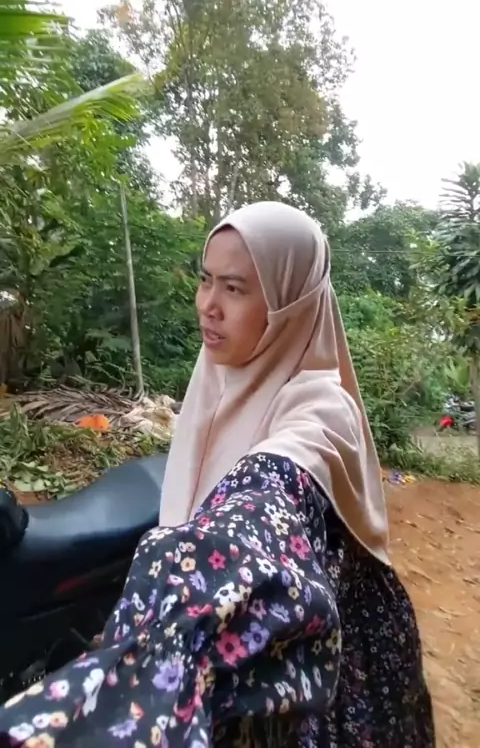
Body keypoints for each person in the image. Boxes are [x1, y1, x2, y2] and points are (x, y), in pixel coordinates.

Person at [0, 202, 435, 747]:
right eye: (206, 280)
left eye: (234, 288)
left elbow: (271, 490)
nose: (208, 305)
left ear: (291, 304)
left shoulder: (324, 406)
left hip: (302, 665)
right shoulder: (217, 378)